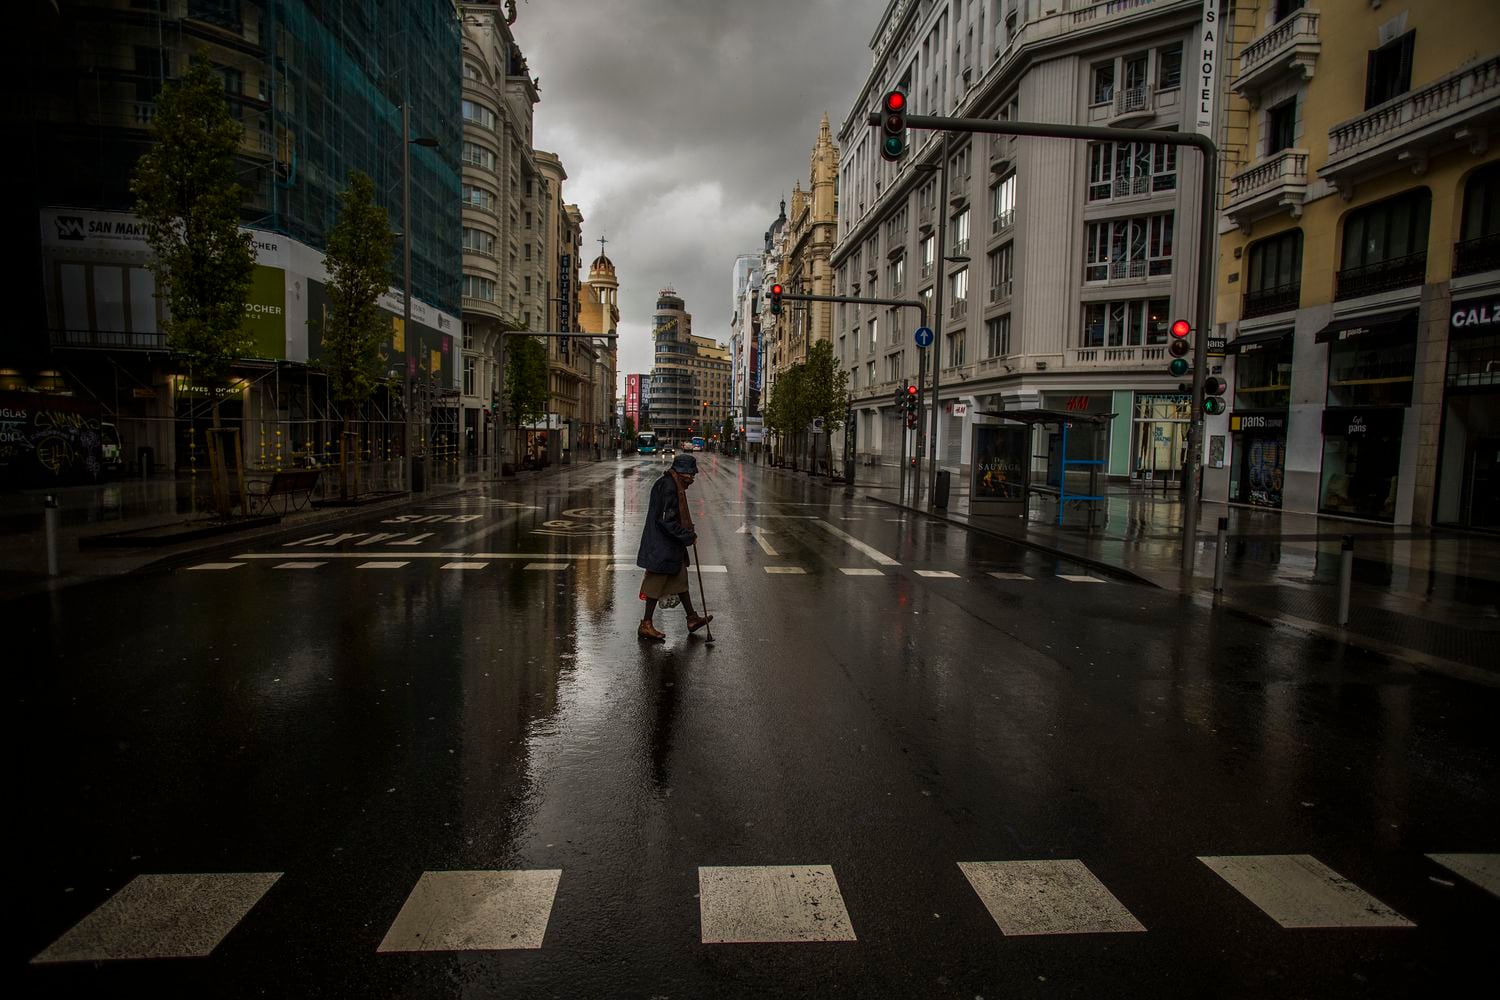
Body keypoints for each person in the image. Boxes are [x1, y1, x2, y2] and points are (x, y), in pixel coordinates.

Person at [636, 453, 713, 641]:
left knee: (680, 579)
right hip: (661, 546)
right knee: (655, 584)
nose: (692, 479)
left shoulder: (672, 484)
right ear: (681, 473)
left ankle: (692, 618)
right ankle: (646, 624)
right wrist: (687, 536)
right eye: (690, 475)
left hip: (668, 546)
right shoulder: (669, 487)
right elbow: (666, 520)